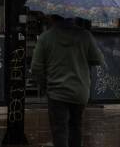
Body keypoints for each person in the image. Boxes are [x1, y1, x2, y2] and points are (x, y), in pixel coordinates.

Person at [31, 15, 104, 147]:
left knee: (59, 130)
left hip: (56, 93)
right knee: (76, 128)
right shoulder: (85, 36)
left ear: (53, 18)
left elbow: (36, 67)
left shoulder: (45, 37)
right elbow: (98, 59)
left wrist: (44, 85)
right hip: (79, 91)